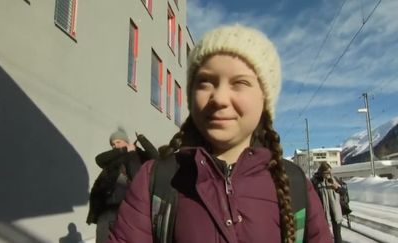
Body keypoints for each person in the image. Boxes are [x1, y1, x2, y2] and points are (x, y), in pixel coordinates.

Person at [108, 24, 332, 243]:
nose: (219, 98)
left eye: (240, 82)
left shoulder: (294, 184)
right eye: (205, 82)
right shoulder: (156, 180)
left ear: (265, 100)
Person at [86, 128, 158, 243]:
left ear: (126, 141)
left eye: (118, 142)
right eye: (113, 144)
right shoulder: (113, 157)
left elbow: (156, 158)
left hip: (129, 209)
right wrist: (124, 149)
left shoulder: (138, 155)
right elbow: (99, 159)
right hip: (107, 210)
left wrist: (142, 139)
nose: (115, 146)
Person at [311, 162, 345, 243]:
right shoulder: (315, 182)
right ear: (321, 172)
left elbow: (344, 192)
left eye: (330, 172)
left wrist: (337, 188)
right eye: (327, 173)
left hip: (336, 213)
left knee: (338, 236)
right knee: (324, 237)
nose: (329, 174)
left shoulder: (335, 180)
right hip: (323, 214)